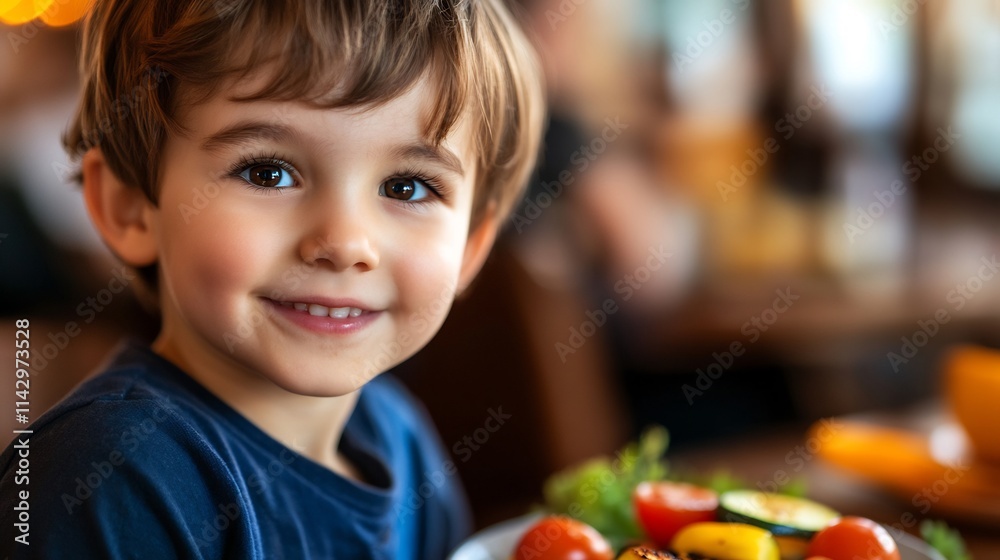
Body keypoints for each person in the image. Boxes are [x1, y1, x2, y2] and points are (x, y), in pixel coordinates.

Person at [0, 0, 544, 558]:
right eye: (268, 172)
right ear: (131, 207)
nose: (344, 243)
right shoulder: (110, 476)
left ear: (473, 245)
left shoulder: (401, 437)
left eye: (407, 187)